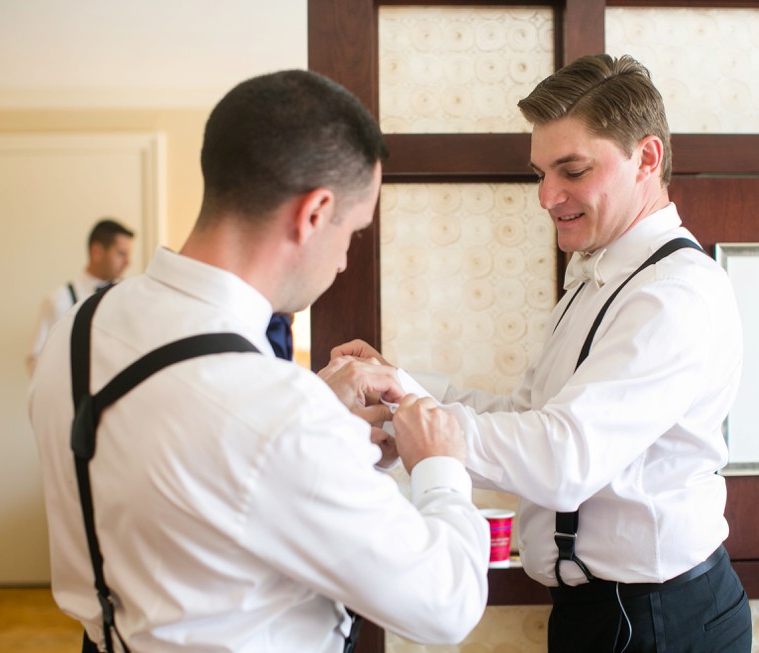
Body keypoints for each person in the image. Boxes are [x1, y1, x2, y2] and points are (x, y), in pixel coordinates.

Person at [29, 69, 489, 652]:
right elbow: (446, 604)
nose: (346, 260)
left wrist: (319, 418)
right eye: (353, 231)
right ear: (315, 213)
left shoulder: (77, 331)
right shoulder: (273, 412)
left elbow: (191, 481)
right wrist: (440, 467)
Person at [334, 54, 752, 652]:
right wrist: (396, 383)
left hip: (659, 619)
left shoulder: (673, 295)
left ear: (648, 158)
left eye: (573, 171)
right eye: (540, 173)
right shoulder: (599, 276)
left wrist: (414, 424)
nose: (547, 196)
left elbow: (563, 459)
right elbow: (527, 416)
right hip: (600, 612)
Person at [26, 218, 134, 375]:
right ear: (97, 252)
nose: (128, 262)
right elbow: (34, 362)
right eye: (121, 254)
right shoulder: (58, 301)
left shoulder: (129, 297)